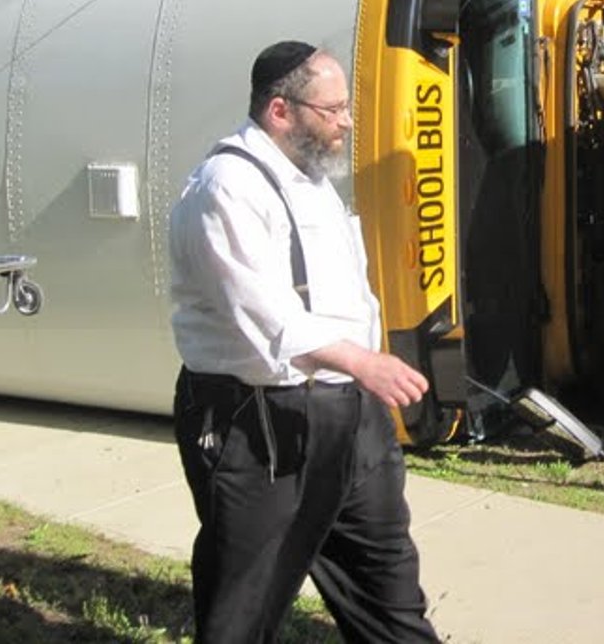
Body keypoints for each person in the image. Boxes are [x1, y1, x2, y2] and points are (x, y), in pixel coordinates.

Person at [169, 40, 440, 644]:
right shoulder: (227, 185)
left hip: (351, 413)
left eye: (346, 108)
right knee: (248, 596)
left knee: (386, 579)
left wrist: (364, 373)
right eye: (333, 109)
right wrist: (364, 362)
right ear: (280, 110)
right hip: (259, 422)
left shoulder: (312, 178)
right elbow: (264, 314)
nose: (346, 122)